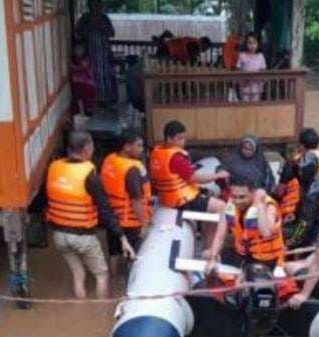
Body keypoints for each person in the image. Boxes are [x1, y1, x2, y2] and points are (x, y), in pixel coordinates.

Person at [46, 131, 135, 299]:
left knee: (78, 273)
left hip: (59, 236)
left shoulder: (54, 168)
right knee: (102, 275)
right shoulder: (90, 176)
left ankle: (82, 309)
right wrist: (122, 237)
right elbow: (105, 210)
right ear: (87, 149)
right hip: (82, 237)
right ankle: (99, 313)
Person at [149, 120, 229, 247]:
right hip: (181, 201)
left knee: (207, 198)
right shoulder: (176, 158)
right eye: (179, 138)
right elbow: (197, 178)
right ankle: (210, 247)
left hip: (166, 198)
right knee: (221, 206)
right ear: (169, 139)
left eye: (183, 138)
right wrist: (218, 175)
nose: (183, 142)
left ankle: (204, 238)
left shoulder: (156, 153)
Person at [205, 176, 285, 274]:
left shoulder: (268, 206)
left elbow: (266, 232)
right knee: (207, 255)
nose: (238, 201)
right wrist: (213, 259)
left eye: (242, 197)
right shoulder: (230, 205)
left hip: (268, 260)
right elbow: (220, 235)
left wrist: (259, 204)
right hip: (243, 254)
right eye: (234, 196)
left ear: (253, 193)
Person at [101, 130, 151, 275]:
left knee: (114, 254)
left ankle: (113, 281)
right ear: (127, 147)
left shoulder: (109, 160)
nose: (142, 150)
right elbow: (136, 201)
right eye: (139, 146)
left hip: (112, 218)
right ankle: (129, 285)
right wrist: (145, 224)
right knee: (132, 257)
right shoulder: (132, 170)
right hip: (129, 222)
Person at [76, 0, 117, 105]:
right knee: (91, 77)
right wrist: (90, 25)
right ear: (89, 6)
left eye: (98, 5)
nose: (96, 8)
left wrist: (101, 25)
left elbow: (112, 33)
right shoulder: (85, 18)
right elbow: (78, 33)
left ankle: (105, 100)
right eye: (93, 5)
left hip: (104, 53)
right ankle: (93, 101)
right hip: (90, 54)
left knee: (105, 76)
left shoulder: (104, 18)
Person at [237, 33, 267, 102]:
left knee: (255, 108)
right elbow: (238, 70)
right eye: (249, 43)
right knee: (245, 107)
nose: (252, 45)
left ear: (258, 44)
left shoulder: (260, 56)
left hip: (257, 87)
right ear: (246, 44)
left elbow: (263, 70)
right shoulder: (242, 55)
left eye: (254, 43)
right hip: (245, 87)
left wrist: (262, 79)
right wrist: (242, 80)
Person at [70, 44, 97, 114]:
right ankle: (82, 110)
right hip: (79, 81)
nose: (78, 52)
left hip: (86, 81)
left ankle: (89, 109)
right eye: (77, 50)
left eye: (80, 50)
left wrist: (75, 68)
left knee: (89, 92)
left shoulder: (85, 58)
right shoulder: (74, 59)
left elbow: (84, 67)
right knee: (80, 94)